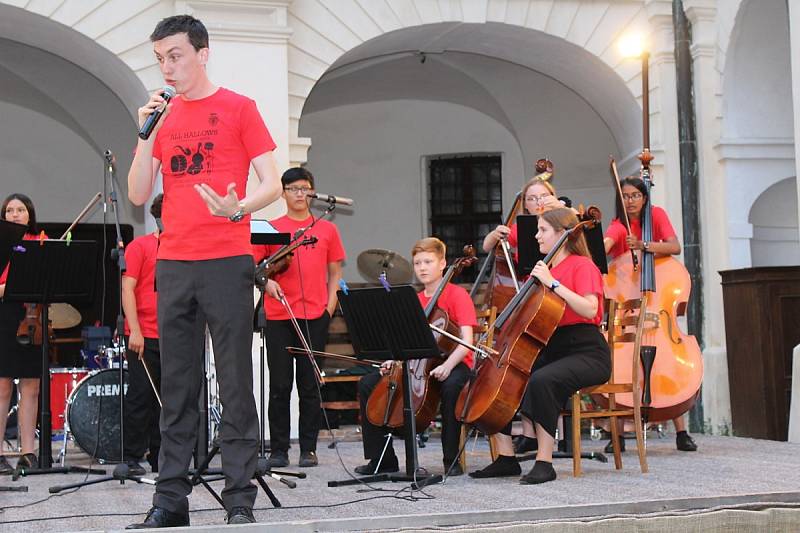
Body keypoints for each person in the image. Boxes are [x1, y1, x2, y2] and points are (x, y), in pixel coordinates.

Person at [126, 15, 282, 529]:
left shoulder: (239, 108)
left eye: (175, 55)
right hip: (173, 264)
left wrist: (238, 209)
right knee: (177, 386)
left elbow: (274, 183)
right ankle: (170, 501)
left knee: (235, 383)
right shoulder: (161, 116)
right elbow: (135, 192)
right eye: (160, 59)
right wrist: (145, 133)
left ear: (202, 52)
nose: (167, 67)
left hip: (225, 260)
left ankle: (240, 497)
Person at [469, 208, 611, 484]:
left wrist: (553, 283)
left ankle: (544, 462)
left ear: (562, 234)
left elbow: (589, 308)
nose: (536, 236)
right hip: (551, 347)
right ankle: (506, 458)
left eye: (543, 230)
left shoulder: (583, 266)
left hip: (587, 351)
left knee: (542, 380)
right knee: (498, 378)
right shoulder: (545, 270)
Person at [355, 237, 477, 477]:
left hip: (453, 362)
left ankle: (451, 459)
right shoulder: (415, 300)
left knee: (452, 387)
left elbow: (466, 342)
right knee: (368, 383)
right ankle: (382, 459)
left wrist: (448, 366)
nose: (422, 267)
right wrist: (394, 359)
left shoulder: (456, 295)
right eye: (418, 262)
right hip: (418, 365)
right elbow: (405, 342)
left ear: (442, 264)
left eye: (428, 262)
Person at [252, 167, 345, 469]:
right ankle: (279, 449)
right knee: (280, 385)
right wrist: (268, 283)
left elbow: (335, 271)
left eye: (304, 188)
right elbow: (255, 269)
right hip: (279, 315)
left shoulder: (326, 229)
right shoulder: (270, 227)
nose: (299, 194)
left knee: (309, 384)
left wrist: (329, 307)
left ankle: (309, 448)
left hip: (314, 315)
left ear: (312, 191)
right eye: (292, 189)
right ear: (283, 193)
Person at [602, 175, 698, 453]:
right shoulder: (618, 225)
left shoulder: (656, 215)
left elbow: (674, 246)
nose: (630, 201)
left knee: (667, 366)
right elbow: (606, 247)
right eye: (626, 196)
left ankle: (681, 431)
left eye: (635, 196)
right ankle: (617, 434)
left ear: (644, 197)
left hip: (658, 306)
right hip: (629, 310)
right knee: (619, 366)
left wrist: (645, 246)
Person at [0, 193, 45, 475]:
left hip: (32, 315)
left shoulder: (39, 243)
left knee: (31, 386)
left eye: (20, 209)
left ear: (30, 215)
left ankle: (28, 452)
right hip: (3, 313)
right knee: (2, 386)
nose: (15, 214)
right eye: (9, 210)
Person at [121, 194, 163, 476]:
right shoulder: (141, 246)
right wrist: (134, 329)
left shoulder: (186, 248)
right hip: (143, 333)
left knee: (169, 400)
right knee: (140, 396)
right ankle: (133, 455)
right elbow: (128, 289)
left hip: (175, 336)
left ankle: (162, 457)